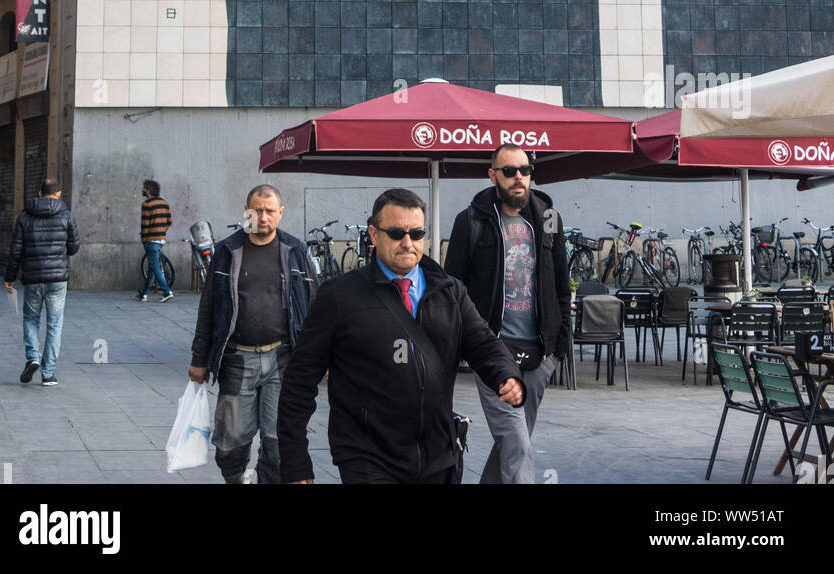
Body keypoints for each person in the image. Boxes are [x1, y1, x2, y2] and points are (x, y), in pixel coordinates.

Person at [278, 187, 525, 485]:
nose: (407, 243)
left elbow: (484, 344)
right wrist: (295, 463)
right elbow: (299, 382)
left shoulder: (450, 291)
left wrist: (506, 375)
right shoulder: (338, 296)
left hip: (438, 454)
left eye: (417, 234)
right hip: (367, 455)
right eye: (396, 233)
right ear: (373, 233)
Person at [444, 145, 571, 484]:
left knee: (514, 442)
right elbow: (452, 288)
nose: (518, 177)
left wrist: (560, 347)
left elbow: (562, 283)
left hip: (540, 353)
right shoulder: (471, 221)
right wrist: (462, 343)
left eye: (525, 170)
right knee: (516, 441)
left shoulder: (549, 219)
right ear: (493, 176)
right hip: (493, 352)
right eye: (509, 171)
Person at [189, 184, 317, 484]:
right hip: (236, 358)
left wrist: (320, 357)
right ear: (246, 212)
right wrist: (199, 358)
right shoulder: (227, 250)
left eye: (269, 211)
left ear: (280, 214)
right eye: (256, 210)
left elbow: (314, 305)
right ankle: (236, 478)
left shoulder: (295, 250)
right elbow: (208, 307)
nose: (262, 217)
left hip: (282, 357)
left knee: (277, 442)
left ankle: (266, 478)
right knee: (229, 443)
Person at [4, 177, 81, 387]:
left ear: (39, 193)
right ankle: (48, 374)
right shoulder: (67, 216)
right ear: (58, 194)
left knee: (31, 318)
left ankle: (33, 357)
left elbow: (16, 250)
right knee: (54, 324)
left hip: (33, 278)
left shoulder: (24, 217)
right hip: (57, 279)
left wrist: (9, 277)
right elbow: (74, 247)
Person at [136, 178, 173, 301]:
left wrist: (144, 238)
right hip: (161, 239)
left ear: (148, 190)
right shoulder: (164, 203)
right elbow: (169, 221)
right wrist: (161, 231)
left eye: (144, 187)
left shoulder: (146, 204)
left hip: (150, 240)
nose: (142, 189)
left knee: (154, 266)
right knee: (152, 267)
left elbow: (145, 225)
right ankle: (143, 293)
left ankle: (167, 292)